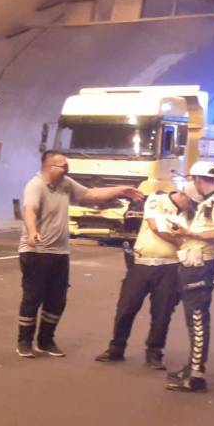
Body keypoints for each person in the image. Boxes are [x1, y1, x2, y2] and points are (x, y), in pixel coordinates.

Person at [16, 150, 144, 358]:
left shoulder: (65, 184)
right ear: (49, 167)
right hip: (36, 251)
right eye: (63, 166)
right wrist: (32, 232)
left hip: (59, 252)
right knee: (33, 297)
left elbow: (91, 195)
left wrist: (121, 190)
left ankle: (46, 340)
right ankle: (24, 342)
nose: (67, 169)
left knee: (57, 300)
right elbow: (30, 210)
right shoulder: (35, 185)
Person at [94, 189, 194, 369]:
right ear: (183, 195)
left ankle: (154, 352)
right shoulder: (156, 200)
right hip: (141, 264)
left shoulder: (191, 214)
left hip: (170, 267)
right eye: (192, 202)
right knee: (126, 307)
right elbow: (156, 228)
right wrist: (183, 242)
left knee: (162, 312)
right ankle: (116, 347)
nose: (193, 206)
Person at [164, 161, 214, 393]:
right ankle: (192, 367)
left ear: (196, 179)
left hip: (200, 265)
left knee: (197, 320)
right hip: (191, 263)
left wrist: (190, 233)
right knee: (193, 320)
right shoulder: (208, 200)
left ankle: (196, 374)